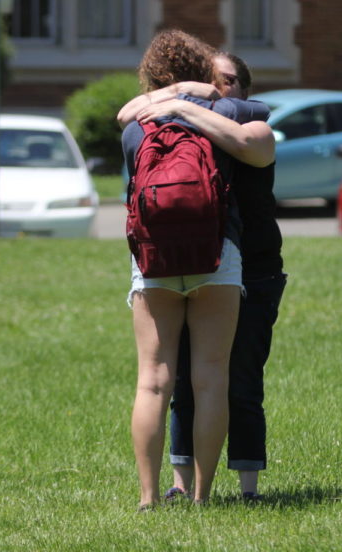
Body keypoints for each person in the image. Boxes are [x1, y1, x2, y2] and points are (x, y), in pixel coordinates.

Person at [120, 30, 274, 510]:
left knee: (153, 379)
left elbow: (126, 122)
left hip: (154, 261)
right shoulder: (227, 112)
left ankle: (149, 498)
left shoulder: (135, 126)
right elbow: (261, 118)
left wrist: (163, 98)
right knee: (211, 377)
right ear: (204, 72)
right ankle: (203, 497)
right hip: (216, 256)